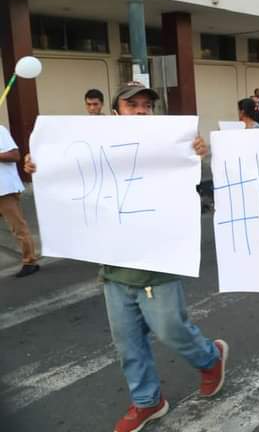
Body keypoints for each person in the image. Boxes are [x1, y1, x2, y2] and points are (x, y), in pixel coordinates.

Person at [24, 81, 228, 432]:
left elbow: (190, 190)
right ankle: (148, 401)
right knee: (128, 343)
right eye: (132, 105)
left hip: (159, 264)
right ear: (116, 111)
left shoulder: (169, 147)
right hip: (114, 269)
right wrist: (38, 165)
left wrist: (196, 152)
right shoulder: (95, 146)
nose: (141, 111)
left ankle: (210, 358)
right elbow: (65, 174)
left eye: (146, 105)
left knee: (171, 330)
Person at [0, 125, 40, 278]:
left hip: (5, 189)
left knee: (17, 227)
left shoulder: (0, 131)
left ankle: (30, 262)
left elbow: (15, 155)